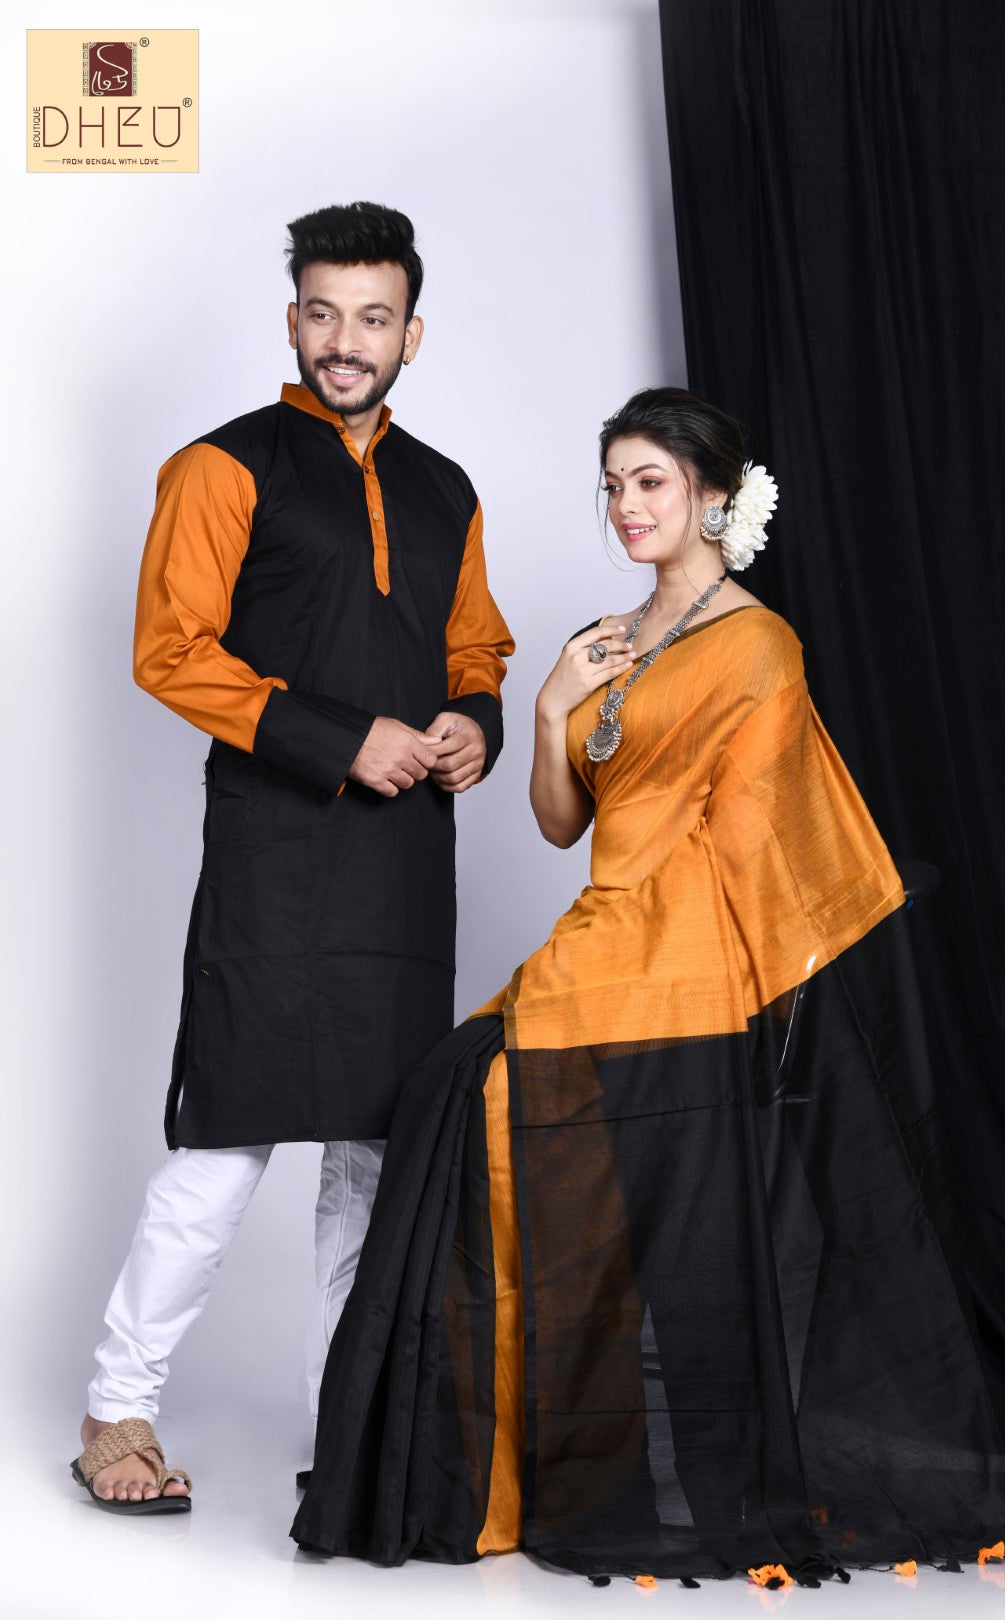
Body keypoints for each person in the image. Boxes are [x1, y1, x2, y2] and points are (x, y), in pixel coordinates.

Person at [291, 387, 1005, 1582]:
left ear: (715, 497)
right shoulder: (612, 639)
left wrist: (703, 974)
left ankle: (535, 1471)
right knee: (455, 1106)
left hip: (677, 960)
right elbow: (561, 820)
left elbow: (747, 839)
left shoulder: (759, 645)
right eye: (614, 485)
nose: (627, 507)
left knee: (478, 1103)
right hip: (605, 928)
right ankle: (479, 1473)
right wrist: (550, 706)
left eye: (651, 483)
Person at [71, 202, 514, 1513]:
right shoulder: (223, 467)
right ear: (292, 321)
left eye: (373, 317)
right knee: (225, 1139)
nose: (345, 340)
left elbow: (475, 645)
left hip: (402, 865)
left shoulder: (445, 489)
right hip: (275, 854)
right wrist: (339, 737)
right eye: (323, 313)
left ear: (411, 334)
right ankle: (116, 1410)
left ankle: (354, 1424)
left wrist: (473, 722)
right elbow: (170, 651)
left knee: (376, 1157)